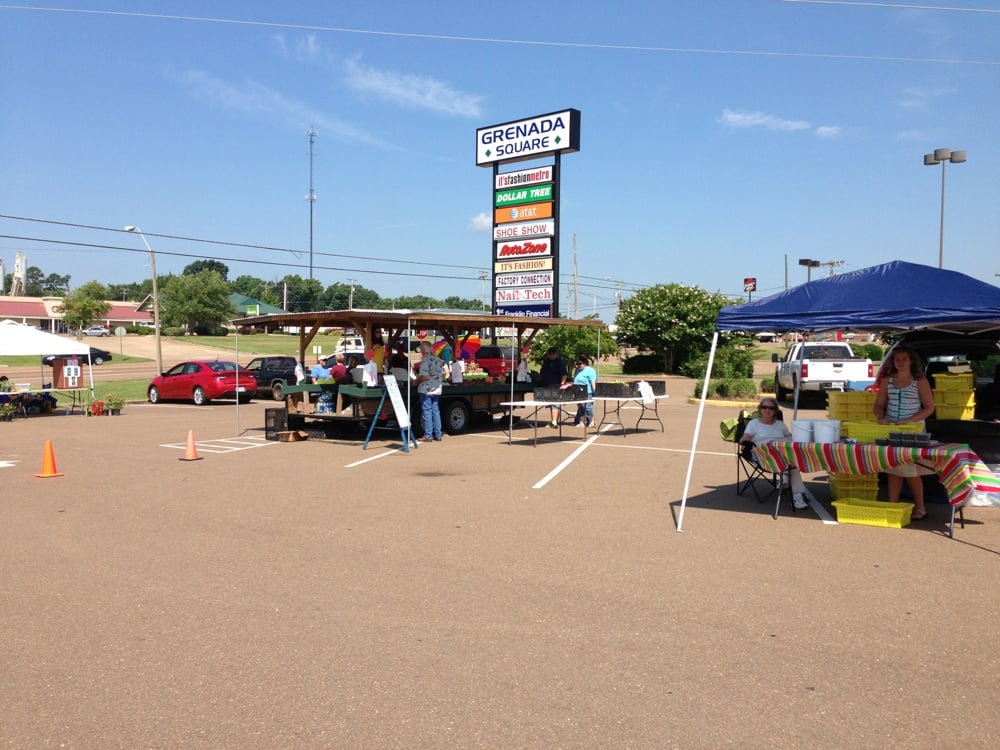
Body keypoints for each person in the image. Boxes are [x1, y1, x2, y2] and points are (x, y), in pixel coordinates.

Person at [873, 345, 936, 519]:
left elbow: (929, 407)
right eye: (896, 359)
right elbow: (878, 406)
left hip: (913, 431)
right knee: (893, 468)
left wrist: (910, 420)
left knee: (910, 470)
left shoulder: (920, 380)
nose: (900, 362)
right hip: (892, 430)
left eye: (903, 359)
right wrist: (881, 418)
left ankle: (920, 507)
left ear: (911, 361)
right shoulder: (887, 380)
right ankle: (892, 506)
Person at [738, 397, 809, 510]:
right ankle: (786, 477)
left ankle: (797, 496)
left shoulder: (780, 424)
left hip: (782, 454)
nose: (767, 410)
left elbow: (790, 436)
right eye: (764, 407)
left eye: (771, 408)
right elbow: (746, 436)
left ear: (775, 411)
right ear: (760, 409)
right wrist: (745, 440)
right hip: (764, 456)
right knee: (791, 465)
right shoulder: (754, 423)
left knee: (793, 462)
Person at [415, 340, 444, 442]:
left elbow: (424, 377)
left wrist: (415, 381)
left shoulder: (425, 361)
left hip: (426, 389)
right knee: (436, 411)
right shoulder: (438, 360)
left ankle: (428, 435)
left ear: (423, 349)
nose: (420, 351)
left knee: (427, 412)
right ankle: (438, 434)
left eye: (421, 349)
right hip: (436, 388)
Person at [538, 347, 568, 429]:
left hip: (556, 386)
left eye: (553, 354)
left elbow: (564, 375)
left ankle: (554, 422)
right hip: (547, 386)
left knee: (555, 403)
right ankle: (553, 421)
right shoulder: (546, 362)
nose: (551, 355)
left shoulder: (559, 362)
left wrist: (562, 384)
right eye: (550, 354)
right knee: (551, 404)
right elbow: (542, 372)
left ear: (556, 354)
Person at [571, 355, 597, 427]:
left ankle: (592, 421)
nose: (578, 365)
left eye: (580, 363)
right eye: (577, 364)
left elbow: (592, 382)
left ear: (585, 363)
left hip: (588, 391)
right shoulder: (577, 370)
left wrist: (594, 392)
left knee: (588, 407)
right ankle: (582, 422)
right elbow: (575, 380)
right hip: (578, 391)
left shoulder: (590, 371)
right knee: (581, 407)